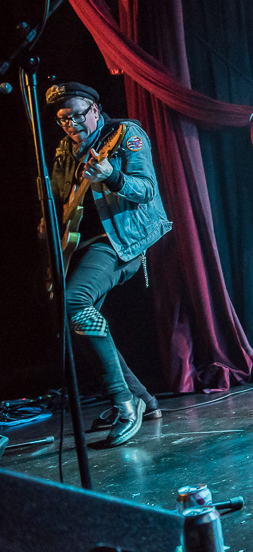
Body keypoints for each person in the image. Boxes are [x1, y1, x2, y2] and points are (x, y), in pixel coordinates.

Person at [47, 81, 172, 446]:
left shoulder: (124, 135)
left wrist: (112, 177)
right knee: (84, 323)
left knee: (74, 302)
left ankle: (124, 402)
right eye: (63, 119)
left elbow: (146, 189)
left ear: (96, 111)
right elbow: (60, 195)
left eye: (77, 116)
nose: (72, 125)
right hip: (82, 245)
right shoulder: (65, 150)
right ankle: (146, 402)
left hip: (120, 242)